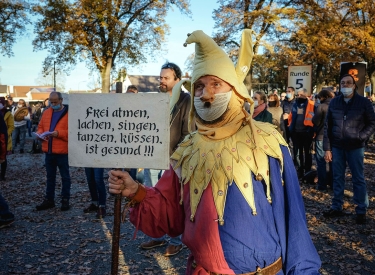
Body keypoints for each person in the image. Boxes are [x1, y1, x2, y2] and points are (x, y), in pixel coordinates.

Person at [108, 29, 321, 274]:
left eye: (215, 84)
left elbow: (294, 220)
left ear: (234, 90)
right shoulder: (188, 150)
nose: (206, 94)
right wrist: (136, 191)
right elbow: (171, 214)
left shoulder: (267, 141)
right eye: (199, 86)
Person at [141, 62, 192, 257]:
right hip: (152, 155)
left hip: (173, 159)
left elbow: (188, 131)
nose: (161, 81)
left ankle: (175, 240)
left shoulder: (186, 99)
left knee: (172, 201)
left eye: (166, 78)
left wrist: (177, 156)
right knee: (151, 197)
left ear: (177, 80)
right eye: (160, 77)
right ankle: (156, 235)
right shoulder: (157, 99)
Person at [323, 74, 375, 224]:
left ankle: (361, 210)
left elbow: (372, 123)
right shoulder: (334, 102)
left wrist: (361, 136)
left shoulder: (363, 102)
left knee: (358, 178)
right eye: (343, 83)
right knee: (337, 177)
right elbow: (328, 126)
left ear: (354, 85)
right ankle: (336, 206)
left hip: (355, 147)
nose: (345, 85)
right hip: (338, 146)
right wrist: (327, 148)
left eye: (348, 83)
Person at [35, 92, 72, 211]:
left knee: (65, 177)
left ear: (61, 100)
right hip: (49, 150)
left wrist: (59, 134)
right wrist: (40, 134)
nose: (53, 104)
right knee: (50, 177)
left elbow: (73, 132)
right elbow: (40, 126)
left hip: (62, 151)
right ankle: (49, 199)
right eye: (51, 101)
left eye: (55, 102)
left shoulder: (69, 114)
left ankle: (65, 200)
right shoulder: (47, 112)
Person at [288, 88, 315, 178]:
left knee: (307, 152)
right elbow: (291, 117)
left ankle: (307, 171)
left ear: (306, 95)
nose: (298, 96)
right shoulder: (295, 104)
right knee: (297, 153)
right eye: (298, 95)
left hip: (307, 132)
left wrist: (312, 130)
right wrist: (290, 127)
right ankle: (300, 170)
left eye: (301, 95)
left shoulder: (312, 104)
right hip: (296, 132)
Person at [312, 89, 333, 191]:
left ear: (323, 97)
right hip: (334, 137)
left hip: (321, 136)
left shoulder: (321, 106)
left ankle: (322, 185)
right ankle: (333, 184)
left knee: (321, 161)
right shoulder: (336, 105)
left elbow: (315, 121)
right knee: (333, 162)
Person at [0, 98, 14, 180]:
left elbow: (11, 126)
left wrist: (6, 134)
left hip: (4, 138)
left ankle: (2, 175)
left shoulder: (7, 113)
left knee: (3, 157)